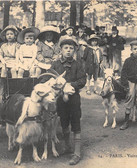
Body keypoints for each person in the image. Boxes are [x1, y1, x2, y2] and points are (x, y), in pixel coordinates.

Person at [50, 37, 86, 165]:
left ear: (75, 50)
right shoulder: (55, 64)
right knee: (63, 120)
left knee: (75, 121)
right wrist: (59, 86)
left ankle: (76, 153)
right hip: (60, 98)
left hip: (74, 98)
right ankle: (67, 146)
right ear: (61, 49)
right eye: (66, 48)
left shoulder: (78, 64)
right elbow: (49, 79)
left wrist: (70, 85)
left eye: (71, 48)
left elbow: (82, 80)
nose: (69, 51)